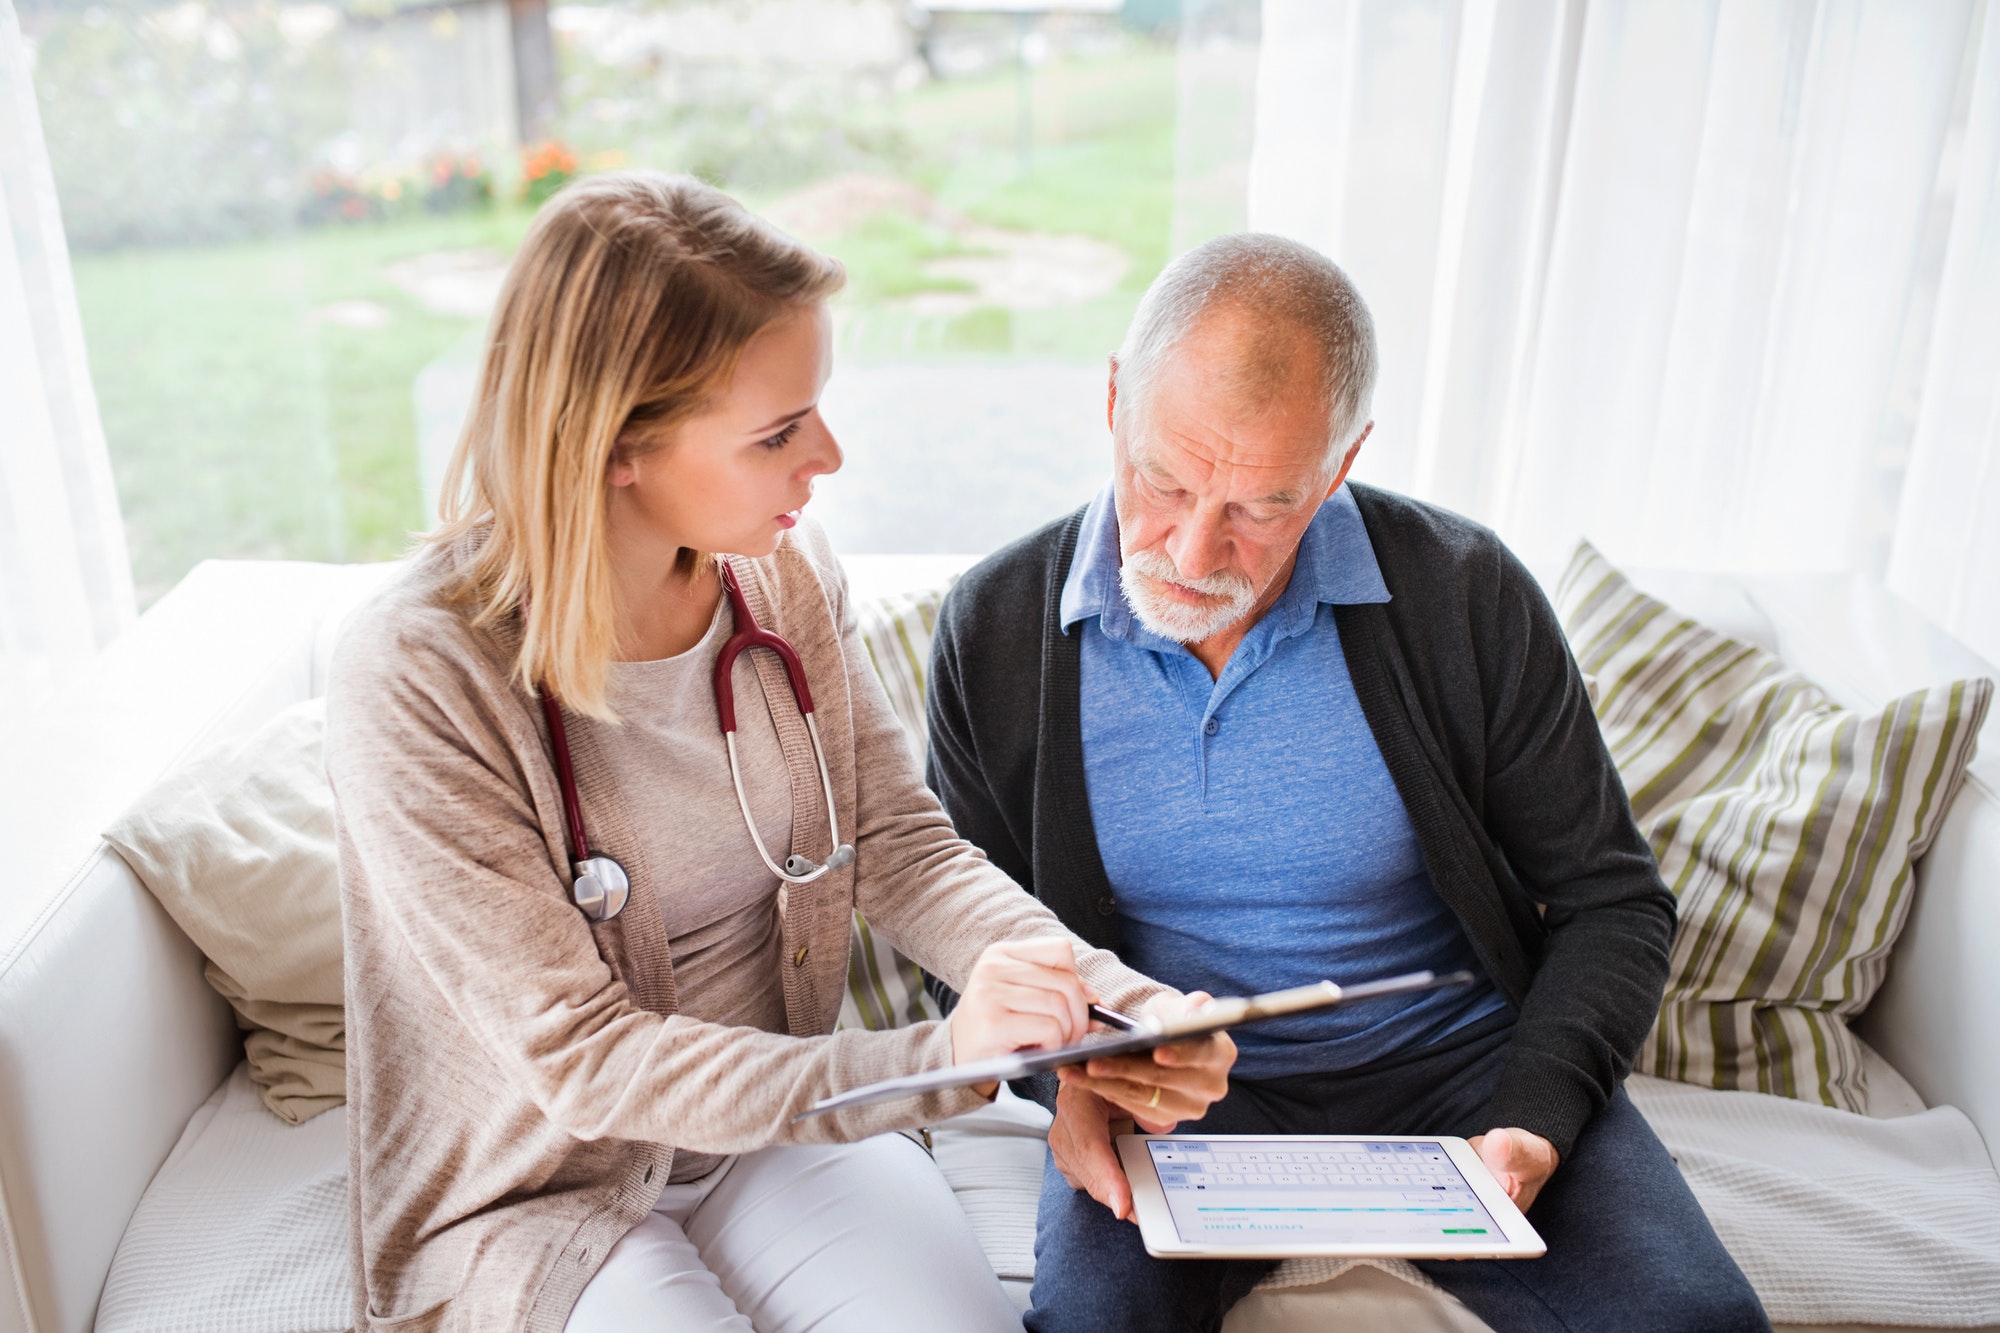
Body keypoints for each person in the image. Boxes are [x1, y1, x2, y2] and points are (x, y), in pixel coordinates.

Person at [323, 171, 1234, 1333]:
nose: (830, 457)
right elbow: (585, 1061)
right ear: (616, 448)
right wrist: (932, 1055)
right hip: (542, 1188)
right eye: (776, 432)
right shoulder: (415, 677)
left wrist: (1112, 1004)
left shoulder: (782, 576)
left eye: (817, 406)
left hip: (775, 1129)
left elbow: (898, 846)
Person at [923, 234, 1772, 1333]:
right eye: (1164, 478)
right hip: (1171, 1097)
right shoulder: (994, 626)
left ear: (1339, 462)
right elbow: (964, 943)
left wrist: (1535, 1114)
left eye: (1262, 506)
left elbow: (1612, 902)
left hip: (1464, 1072)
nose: (1191, 547)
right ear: (1113, 399)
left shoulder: (1462, 594)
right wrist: (1066, 1085)